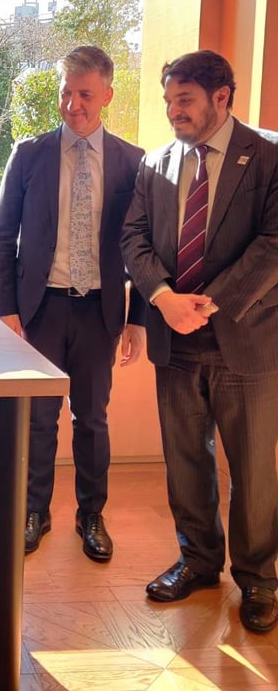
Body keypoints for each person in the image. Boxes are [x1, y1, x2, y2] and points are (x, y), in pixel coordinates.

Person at [121, 49, 278, 633]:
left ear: (221, 96)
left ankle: (259, 579)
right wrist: (163, 298)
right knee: (186, 460)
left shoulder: (268, 156)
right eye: (169, 101)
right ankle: (198, 561)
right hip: (176, 339)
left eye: (184, 100)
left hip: (247, 338)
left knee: (253, 468)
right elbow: (134, 237)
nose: (173, 112)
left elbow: (273, 243)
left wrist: (207, 304)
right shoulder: (155, 163)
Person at [0, 45, 146, 562]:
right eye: (66, 92)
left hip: (100, 311)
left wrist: (138, 319)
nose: (73, 104)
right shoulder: (29, 154)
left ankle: (91, 513)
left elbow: (145, 246)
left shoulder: (133, 162)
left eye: (85, 94)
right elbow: (3, 235)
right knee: (38, 417)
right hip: (42, 309)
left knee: (92, 419)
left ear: (107, 95)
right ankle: (34, 510)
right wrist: (6, 309)